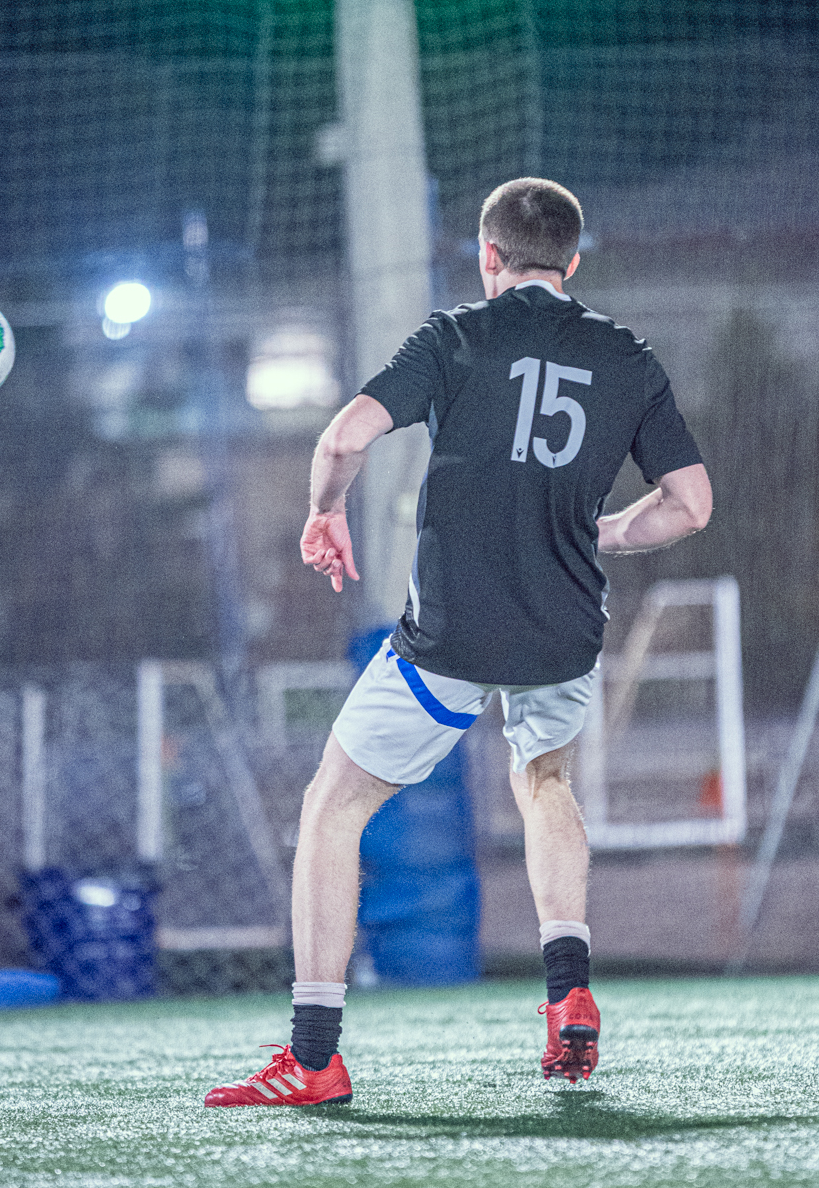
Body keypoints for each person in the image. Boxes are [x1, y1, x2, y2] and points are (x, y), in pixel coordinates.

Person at [205, 177, 711, 1107]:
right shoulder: (627, 355)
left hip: (451, 633)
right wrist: (600, 531)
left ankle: (313, 1056)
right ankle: (568, 992)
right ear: (573, 261)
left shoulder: (455, 336)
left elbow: (343, 438)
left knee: (333, 808)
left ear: (488, 255)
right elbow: (690, 505)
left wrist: (324, 511)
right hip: (564, 627)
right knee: (545, 783)